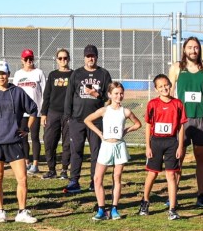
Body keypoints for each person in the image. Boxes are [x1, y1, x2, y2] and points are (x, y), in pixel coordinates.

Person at [0, 60, 40, 224]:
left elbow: (33, 110)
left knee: (22, 178)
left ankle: (22, 211)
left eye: (4, 73)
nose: (1, 76)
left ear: (8, 74)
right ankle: (1, 211)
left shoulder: (18, 92)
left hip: (14, 141)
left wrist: (26, 128)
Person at [170, 37, 203, 208]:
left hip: (200, 119)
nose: (193, 51)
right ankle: (173, 194)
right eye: (189, 47)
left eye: (196, 47)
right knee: (178, 157)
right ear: (184, 49)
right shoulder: (177, 68)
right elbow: (169, 93)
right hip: (181, 120)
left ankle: (201, 194)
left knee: (200, 157)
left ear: (199, 50)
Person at [85, 82, 142, 220]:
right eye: (116, 93)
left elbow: (138, 124)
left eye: (121, 93)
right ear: (110, 94)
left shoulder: (126, 111)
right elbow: (87, 120)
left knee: (117, 177)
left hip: (119, 147)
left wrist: (126, 131)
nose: (119, 96)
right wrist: (100, 134)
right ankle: (101, 209)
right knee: (98, 178)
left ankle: (114, 208)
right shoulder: (104, 110)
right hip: (106, 146)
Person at [63, 44, 112, 194]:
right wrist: (68, 116)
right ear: (84, 57)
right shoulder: (77, 74)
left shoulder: (103, 74)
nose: (90, 58)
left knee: (96, 151)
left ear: (97, 57)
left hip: (96, 120)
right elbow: (69, 95)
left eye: (93, 56)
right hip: (77, 119)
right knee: (76, 150)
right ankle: (74, 181)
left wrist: (98, 96)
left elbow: (110, 96)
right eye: (88, 56)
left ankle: (94, 181)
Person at [141, 74, 188, 219]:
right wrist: (148, 146)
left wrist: (180, 146)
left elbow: (181, 127)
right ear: (156, 89)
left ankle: (172, 208)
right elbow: (148, 126)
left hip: (171, 143)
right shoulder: (152, 104)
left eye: (166, 85)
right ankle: (145, 201)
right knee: (152, 173)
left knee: (171, 175)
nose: (164, 88)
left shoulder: (178, 104)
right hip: (156, 142)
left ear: (170, 85)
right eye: (160, 86)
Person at [41, 49, 73, 179]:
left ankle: (64, 170)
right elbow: (47, 95)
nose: (63, 60)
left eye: (65, 58)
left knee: (67, 143)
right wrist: (44, 114)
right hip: (53, 113)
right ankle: (51, 169)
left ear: (69, 59)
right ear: (56, 60)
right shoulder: (53, 75)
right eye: (60, 58)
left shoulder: (74, 74)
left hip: (69, 114)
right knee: (49, 141)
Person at [13, 49, 46, 174]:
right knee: (22, 137)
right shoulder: (18, 74)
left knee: (35, 137)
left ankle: (35, 163)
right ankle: (27, 161)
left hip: (35, 111)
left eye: (30, 59)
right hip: (21, 112)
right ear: (22, 60)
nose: (28, 61)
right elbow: (15, 92)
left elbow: (44, 92)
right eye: (26, 59)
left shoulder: (39, 73)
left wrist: (43, 110)